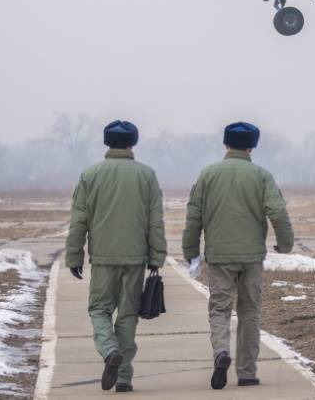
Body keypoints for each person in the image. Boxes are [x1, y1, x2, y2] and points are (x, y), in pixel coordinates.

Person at [183, 121, 294, 390]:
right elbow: (277, 211)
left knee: (220, 309)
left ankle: (221, 351)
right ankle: (247, 372)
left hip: (220, 256)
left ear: (226, 144)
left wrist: (191, 252)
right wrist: (285, 243)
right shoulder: (262, 176)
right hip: (252, 256)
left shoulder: (208, 175)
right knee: (250, 312)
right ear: (252, 146)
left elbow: (194, 216)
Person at [65, 120, 166, 393]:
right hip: (135, 258)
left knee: (99, 309)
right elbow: (155, 221)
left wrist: (74, 255)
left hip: (103, 258)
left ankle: (109, 350)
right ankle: (123, 376)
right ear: (133, 143)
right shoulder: (147, 175)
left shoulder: (90, 175)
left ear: (106, 143)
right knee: (128, 314)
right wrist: (157, 256)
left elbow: (79, 222)